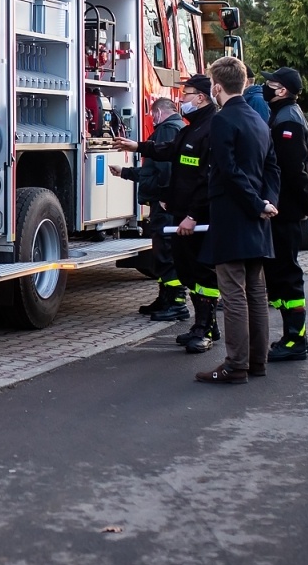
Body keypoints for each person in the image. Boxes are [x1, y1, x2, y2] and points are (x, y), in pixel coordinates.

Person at [116, 74, 219, 350]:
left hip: (196, 218)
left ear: (200, 97)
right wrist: (137, 146)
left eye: (185, 95)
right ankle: (205, 325)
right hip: (184, 215)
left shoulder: (211, 128)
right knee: (189, 271)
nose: (181, 100)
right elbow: (168, 151)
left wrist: (193, 215)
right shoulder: (190, 128)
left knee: (203, 274)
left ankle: (205, 331)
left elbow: (207, 179)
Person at [194, 56, 280, 385]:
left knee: (232, 293)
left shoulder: (222, 120)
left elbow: (228, 172)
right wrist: (268, 202)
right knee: (256, 292)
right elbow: (272, 167)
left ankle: (235, 364)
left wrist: (256, 203)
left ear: (216, 86)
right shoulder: (260, 120)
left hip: (234, 215)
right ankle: (257, 361)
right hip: (258, 217)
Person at [262, 67, 308, 361]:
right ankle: (290, 336)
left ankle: (297, 340)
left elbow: (293, 170)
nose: (265, 87)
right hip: (285, 209)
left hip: (286, 211)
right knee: (282, 275)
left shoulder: (287, 121)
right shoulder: (286, 114)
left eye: (270, 84)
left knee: (288, 276)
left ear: (282, 90)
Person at [119, 98, 186, 316]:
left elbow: (166, 169)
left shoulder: (167, 130)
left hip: (164, 203)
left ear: (157, 113)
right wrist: (125, 172)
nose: (152, 118)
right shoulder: (178, 128)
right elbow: (152, 172)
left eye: (152, 114)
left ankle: (176, 302)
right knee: (162, 253)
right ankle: (165, 298)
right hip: (163, 201)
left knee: (166, 252)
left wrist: (167, 196)